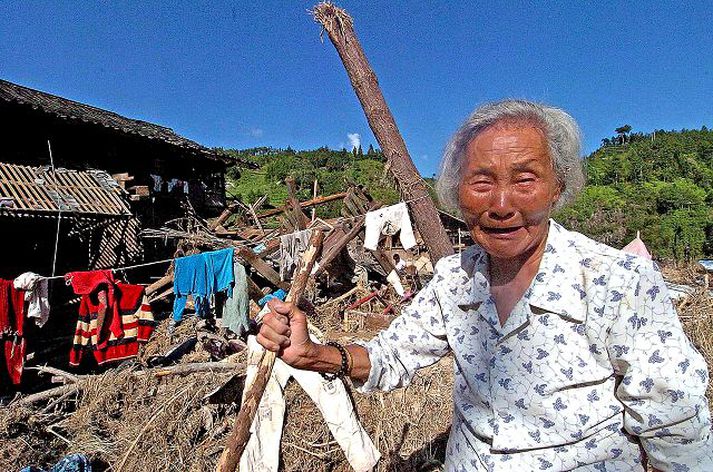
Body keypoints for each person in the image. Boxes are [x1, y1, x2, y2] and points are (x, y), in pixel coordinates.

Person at [258, 100, 712, 471]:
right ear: (457, 193)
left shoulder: (616, 281)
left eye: (525, 179)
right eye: (481, 183)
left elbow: (675, 423)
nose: (500, 205)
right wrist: (315, 355)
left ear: (558, 187)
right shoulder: (455, 280)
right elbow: (389, 358)